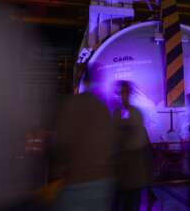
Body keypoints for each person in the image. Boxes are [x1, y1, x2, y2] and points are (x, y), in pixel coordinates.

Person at [51, 70, 115, 211]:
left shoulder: (71, 105)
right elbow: (111, 146)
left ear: (83, 83)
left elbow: (61, 144)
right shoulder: (103, 109)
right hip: (102, 183)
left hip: (76, 183)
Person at [112, 81, 154, 211]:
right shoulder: (118, 114)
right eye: (121, 93)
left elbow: (138, 141)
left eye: (125, 92)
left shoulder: (134, 113)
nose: (122, 96)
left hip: (131, 171)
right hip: (124, 173)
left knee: (130, 203)